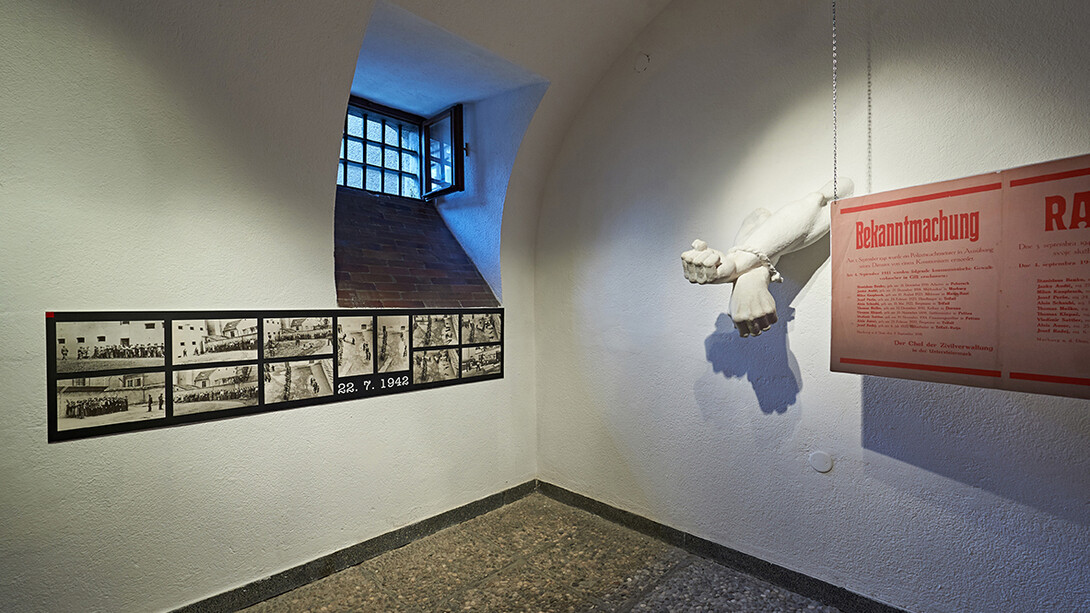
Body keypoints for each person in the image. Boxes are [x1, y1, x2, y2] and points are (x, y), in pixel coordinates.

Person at [681, 179, 853, 337]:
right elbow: (758, 216)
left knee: (809, 202)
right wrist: (746, 270)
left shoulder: (754, 232)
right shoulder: (757, 227)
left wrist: (743, 271)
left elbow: (834, 192)